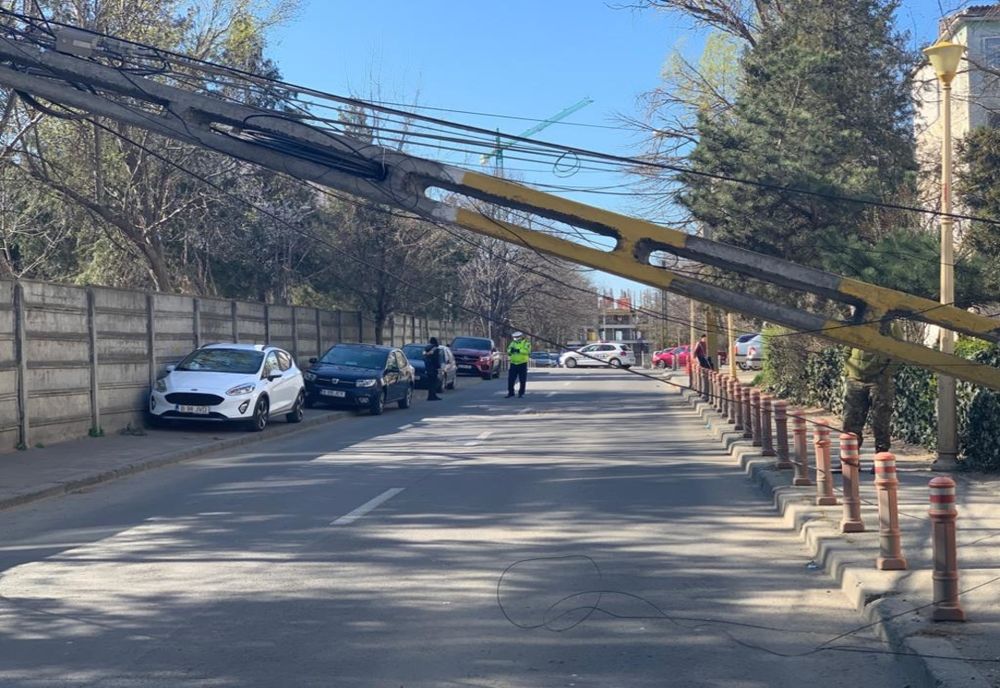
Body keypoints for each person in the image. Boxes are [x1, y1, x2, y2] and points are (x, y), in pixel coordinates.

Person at [842, 342, 899, 454]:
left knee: (881, 420)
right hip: (855, 380)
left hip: (879, 382)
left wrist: (886, 373)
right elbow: (847, 349)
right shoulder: (857, 325)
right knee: (851, 420)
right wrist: (849, 371)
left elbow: (897, 351)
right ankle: (850, 458)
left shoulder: (890, 325)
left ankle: (882, 457)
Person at [506, 331, 531, 398]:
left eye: (516, 337)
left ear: (520, 337)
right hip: (513, 363)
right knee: (511, 379)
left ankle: (521, 393)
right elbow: (508, 349)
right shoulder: (512, 343)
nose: (515, 338)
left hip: (522, 363)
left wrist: (518, 350)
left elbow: (527, 351)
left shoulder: (526, 343)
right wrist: (510, 351)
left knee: (522, 379)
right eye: (514, 337)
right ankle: (511, 393)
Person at [423, 337, 443, 401]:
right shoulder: (435, 349)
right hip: (433, 369)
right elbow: (436, 360)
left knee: (430, 383)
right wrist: (438, 367)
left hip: (428, 368)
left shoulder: (426, 348)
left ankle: (430, 396)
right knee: (434, 383)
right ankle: (433, 396)